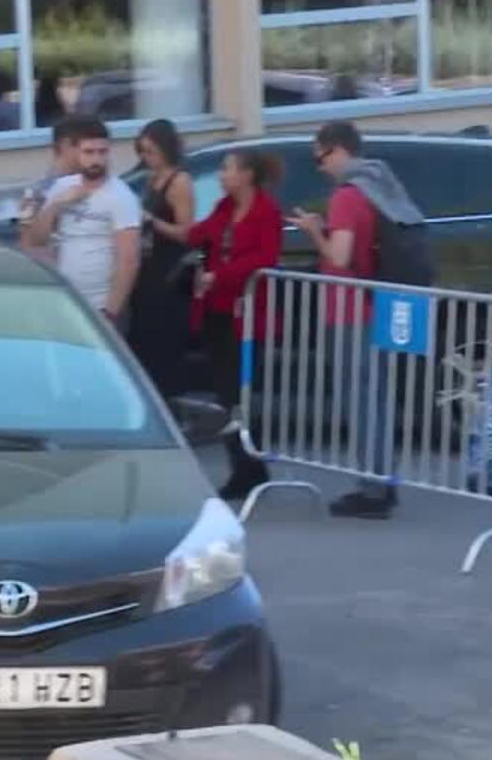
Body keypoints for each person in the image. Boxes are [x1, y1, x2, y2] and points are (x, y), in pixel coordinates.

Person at [289, 121, 427, 520]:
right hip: (376, 303)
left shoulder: (348, 196)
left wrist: (315, 231)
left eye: (320, 157)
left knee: (361, 398)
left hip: (351, 310)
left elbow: (342, 256)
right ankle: (383, 481)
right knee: (377, 397)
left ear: (337, 151)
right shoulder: (380, 184)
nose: (319, 167)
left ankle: (372, 488)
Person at [187, 149, 285, 500]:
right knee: (226, 394)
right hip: (217, 310)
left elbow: (264, 258)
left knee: (237, 393)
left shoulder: (265, 210)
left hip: (247, 314)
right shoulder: (225, 208)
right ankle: (247, 467)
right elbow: (200, 234)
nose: (221, 176)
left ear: (246, 174)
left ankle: (248, 469)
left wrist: (220, 275)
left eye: (227, 169)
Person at [20, 119, 140, 324]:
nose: (96, 159)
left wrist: (111, 313)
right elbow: (37, 240)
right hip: (68, 301)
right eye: (89, 152)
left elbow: (128, 260)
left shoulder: (121, 196)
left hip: (101, 306)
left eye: (102, 152)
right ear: (77, 153)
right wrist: (56, 203)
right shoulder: (63, 187)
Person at [130, 119, 199, 396]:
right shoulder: (151, 179)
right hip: (148, 266)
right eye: (143, 152)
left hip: (168, 268)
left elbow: (187, 232)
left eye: (151, 152)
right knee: (144, 338)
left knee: (163, 341)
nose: (147, 159)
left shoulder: (179, 181)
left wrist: (152, 221)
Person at [18, 116, 91, 265]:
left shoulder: (92, 186)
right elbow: (28, 246)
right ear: (66, 146)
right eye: (88, 149)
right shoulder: (37, 193)